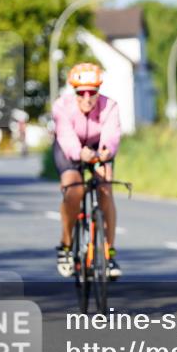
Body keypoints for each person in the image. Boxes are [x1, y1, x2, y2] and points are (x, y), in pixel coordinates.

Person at [52, 63, 122, 279]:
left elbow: (111, 135)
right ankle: (66, 246)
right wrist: (78, 153)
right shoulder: (61, 106)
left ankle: (109, 254)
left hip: (97, 149)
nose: (87, 98)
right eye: (81, 92)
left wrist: (105, 152)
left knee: (105, 189)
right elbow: (65, 136)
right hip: (69, 150)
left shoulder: (109, 106)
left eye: (92, 92)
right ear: (74, 91)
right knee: (73, 189)